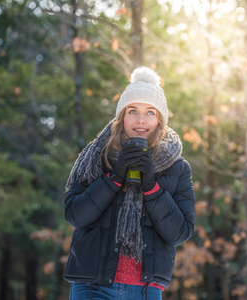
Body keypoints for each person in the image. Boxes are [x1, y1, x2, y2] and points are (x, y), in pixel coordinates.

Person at [63, 66, 195, 300]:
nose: (141, 120)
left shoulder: (177, 167)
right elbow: (76, 215)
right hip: (92, 286)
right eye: (132, 110)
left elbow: (179, 232)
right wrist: (114, 178)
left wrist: (152, 187)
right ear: (121, 116)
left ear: (160, 119)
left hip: (145, 291)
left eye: (150, 112)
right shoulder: (96, 157)